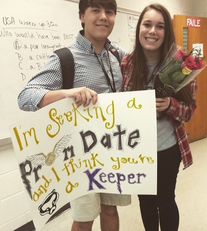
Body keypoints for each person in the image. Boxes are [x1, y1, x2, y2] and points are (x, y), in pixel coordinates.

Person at [17, 0, 131, 230]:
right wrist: (67, 93)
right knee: (84, 216)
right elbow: (26, 96)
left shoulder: (119, 56)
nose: (103, 17)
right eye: (96, 10)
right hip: (79, 156)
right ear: (82, 16)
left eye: (109, 12)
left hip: (114, 148)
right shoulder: (65, 58)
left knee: (111, 209)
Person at [121, 4, 197, 231]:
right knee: (145, 200)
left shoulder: (182, 65)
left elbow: (190, 111)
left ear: (167, 32)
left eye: (160, 26)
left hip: (167, 148)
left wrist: (170, 105)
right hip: (138, 150)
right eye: (147, 24)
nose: (152, 31)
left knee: (165, 200)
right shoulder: (127, 64)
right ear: (139, 29)